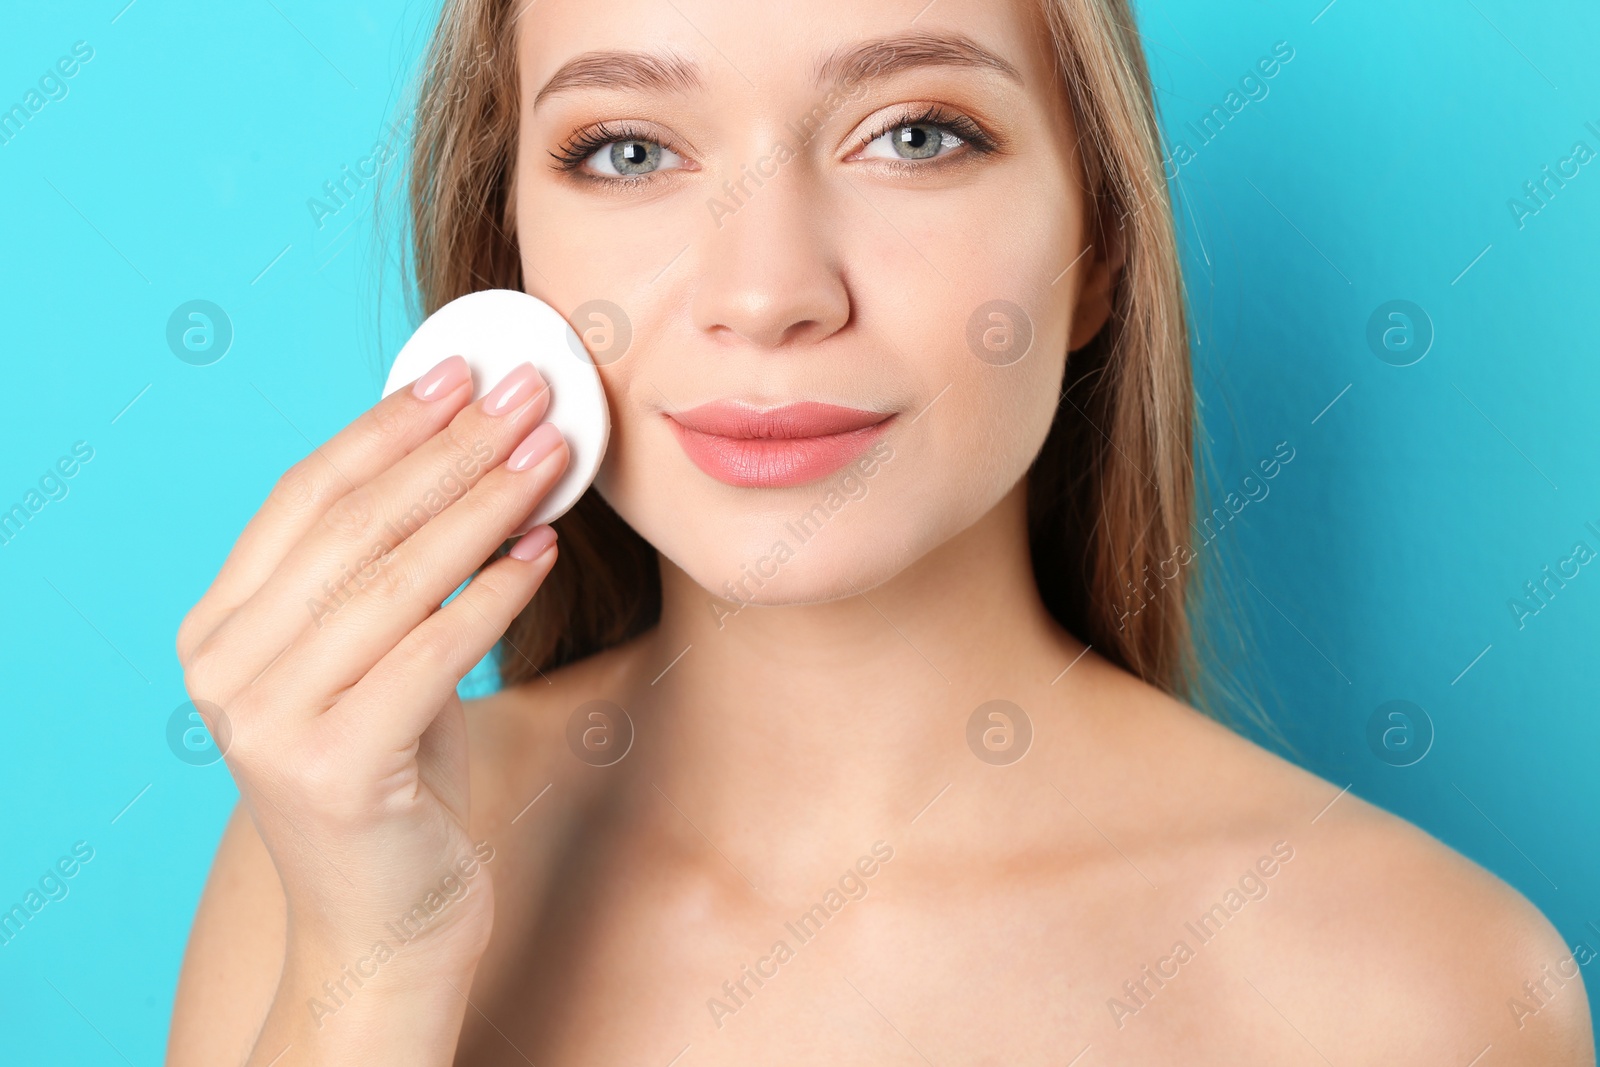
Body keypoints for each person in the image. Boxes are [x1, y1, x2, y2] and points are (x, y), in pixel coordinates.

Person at [167, 0, 1596, 1062]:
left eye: (915, 134)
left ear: (1098, 245)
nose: (768, 287)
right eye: (626, 150)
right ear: (512, 264)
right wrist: (373, 967)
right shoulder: (342, 857)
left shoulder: (1420, 989)